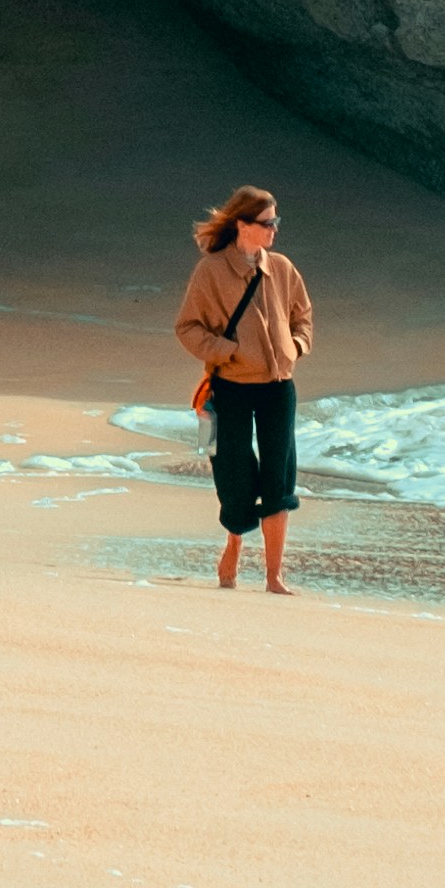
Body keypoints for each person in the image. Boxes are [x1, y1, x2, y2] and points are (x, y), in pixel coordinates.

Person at [174, 182, 312, 592]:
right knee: (233, 475)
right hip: (229, 387)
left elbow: (303, 314)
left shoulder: (283, 268)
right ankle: (233, 542)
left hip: (278, 387)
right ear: (242, 225)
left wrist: (296, 346)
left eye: (276, 222)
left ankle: (274, 576)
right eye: (267, 223)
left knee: (279, 478)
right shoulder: (211, 271)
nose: (275, 230)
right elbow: (187, 328)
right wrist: (226, 350)